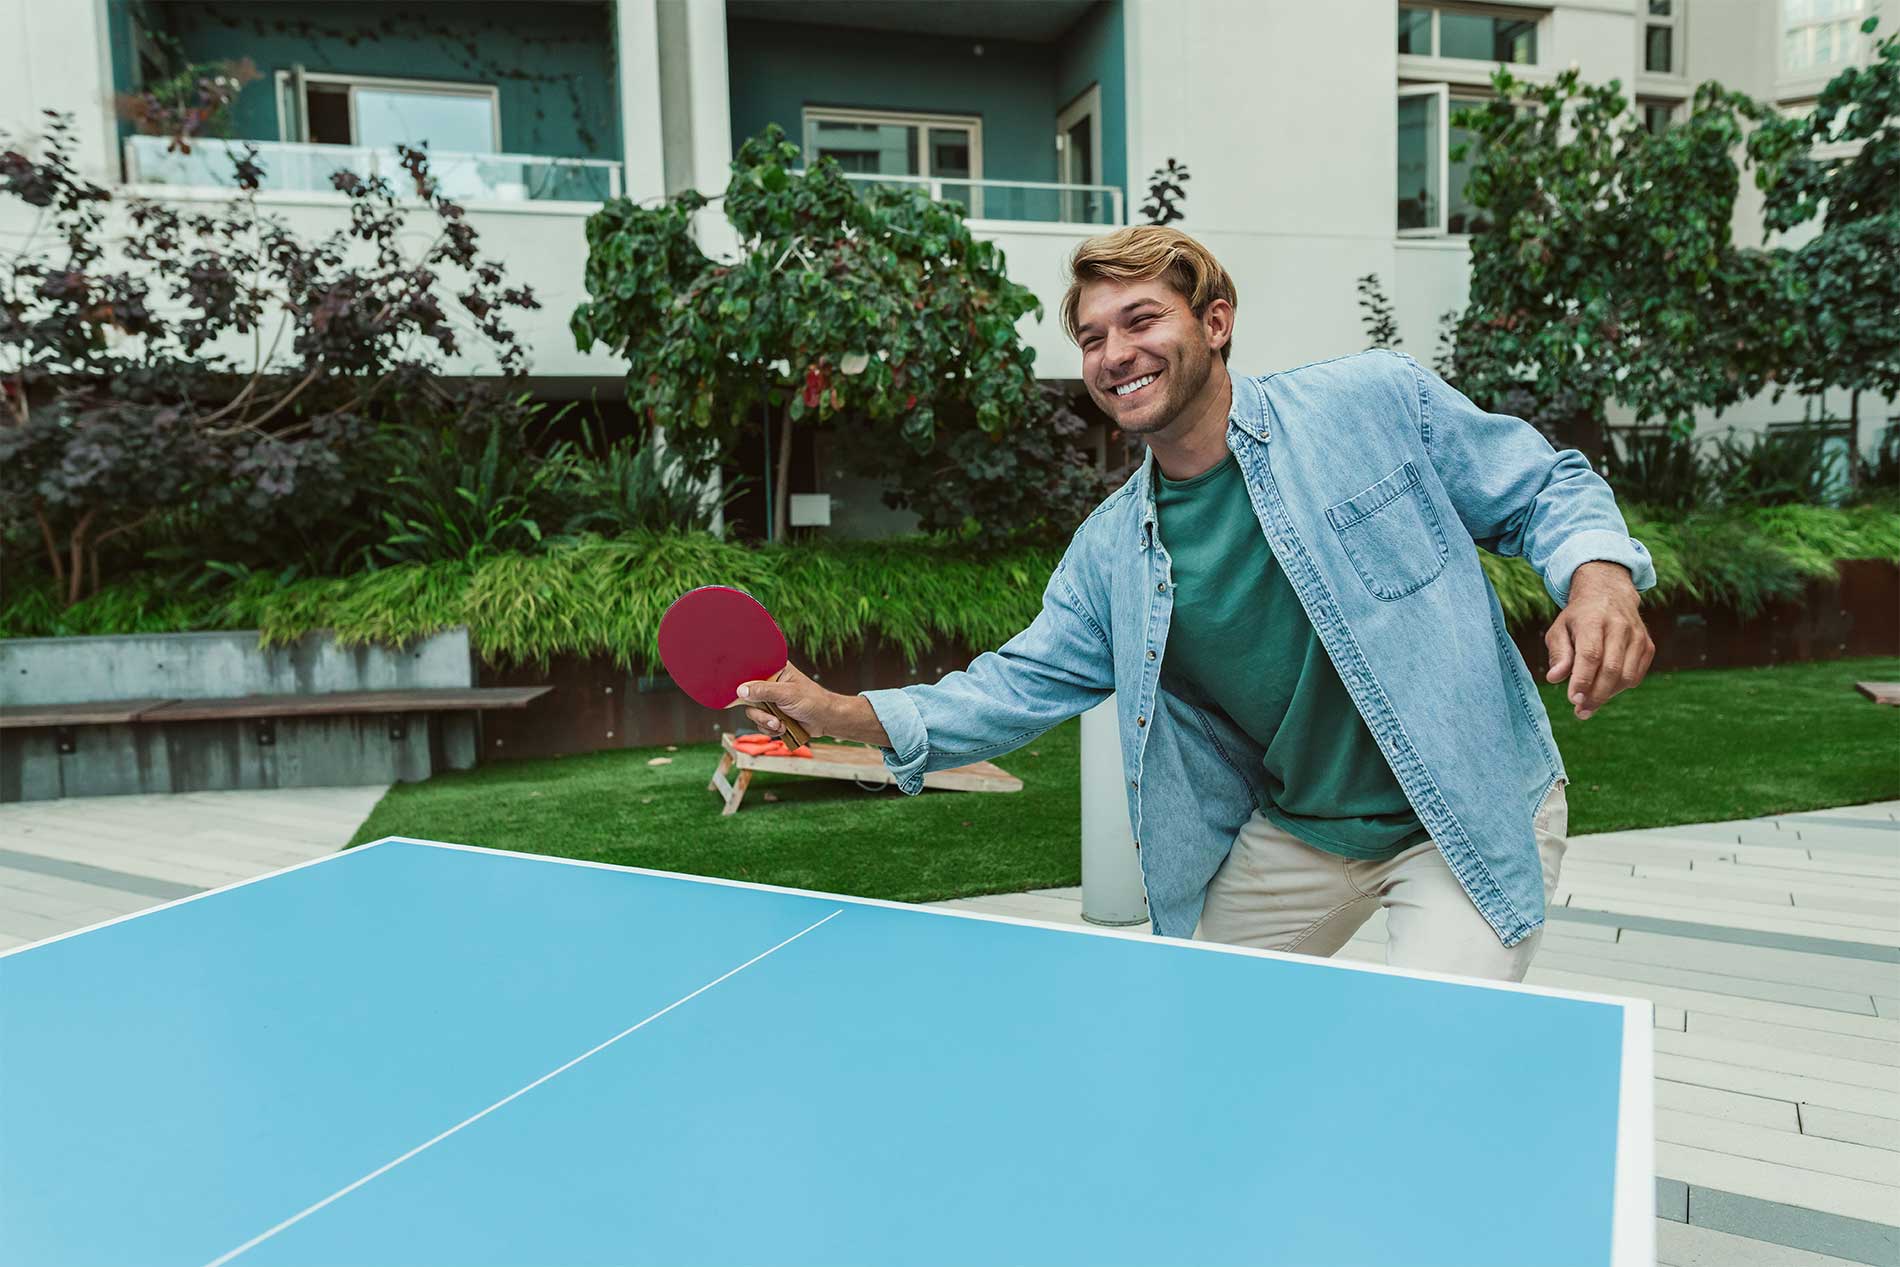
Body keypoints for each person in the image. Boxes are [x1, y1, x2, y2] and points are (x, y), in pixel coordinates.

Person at [739, 225, 1655, 982]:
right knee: (1194, 1032)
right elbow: (1013, 685)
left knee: (1425, 1065)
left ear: (1215, 322)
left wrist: (1600, 578)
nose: (1114, 353)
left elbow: (1542, 484)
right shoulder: (1111, 551)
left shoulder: (1371, 400)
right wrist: (837, 713)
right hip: (1300, 830)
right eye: (1093, 338)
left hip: (1461, 808)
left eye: (1141, 319)